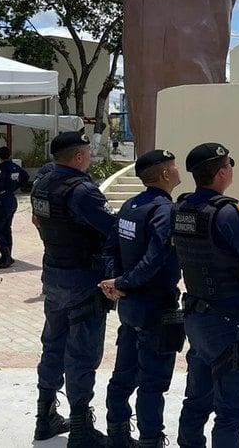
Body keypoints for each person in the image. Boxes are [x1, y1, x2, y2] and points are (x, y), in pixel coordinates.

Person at [173, 143, 239, 448]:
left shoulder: (182, 208)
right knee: (230, 411)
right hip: (228, 324)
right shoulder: (229, 214)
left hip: (196, 317)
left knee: (196, 400)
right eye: (229, 164)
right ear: (222, 172)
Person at [31, 130, 118, 446]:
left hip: (54, 276)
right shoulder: (82, 191)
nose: (90, 158)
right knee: (81, 354)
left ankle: (45, 417)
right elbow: (113, 228)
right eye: (88, 153)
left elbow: (38, 223)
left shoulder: (42, 184)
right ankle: (81, 429)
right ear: (79, 156)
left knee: (53, 345)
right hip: (83, 280)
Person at [99, 149, 183, 448]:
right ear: (164, 174)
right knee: (152, 383)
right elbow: (155, 259)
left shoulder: (130, 206)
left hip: (130, 305)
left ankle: (117, 434)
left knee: (123, 374)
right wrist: (122, 282)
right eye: (173, 167)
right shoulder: (164, 210)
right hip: (155, 307)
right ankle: (150, 440)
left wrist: (118, 283)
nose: (176, 170)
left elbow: (110, 250)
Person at [0, 146, 29, 268]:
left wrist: (0, 192)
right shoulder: (15, 167)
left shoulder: (1, 170)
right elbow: (25, 177)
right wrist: (14, 187)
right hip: (11, 200)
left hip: (0, 202)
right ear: (10, 155)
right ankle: (6, 256)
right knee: (6, 228)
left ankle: (7, 256)